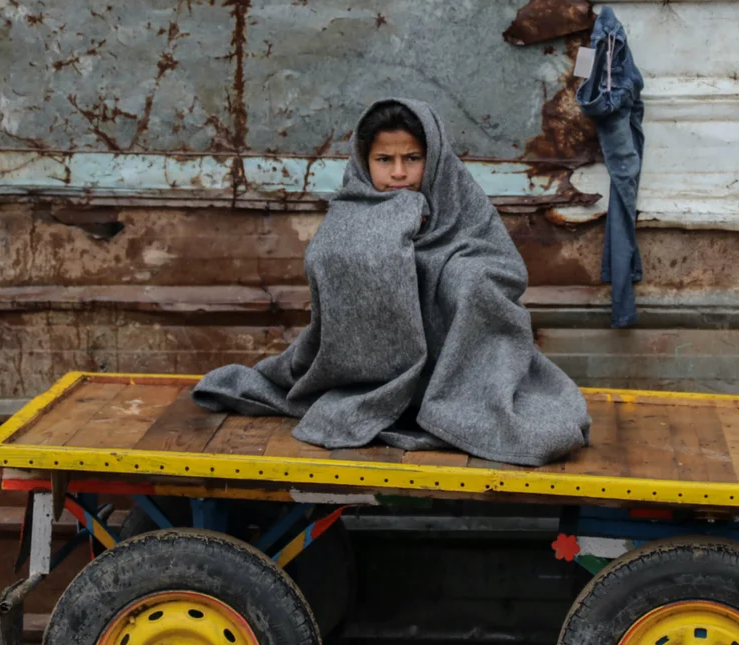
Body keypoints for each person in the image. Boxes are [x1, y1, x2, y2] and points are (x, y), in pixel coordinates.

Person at [194, 98, 591, 466]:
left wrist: (453, 275)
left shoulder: (459, 199)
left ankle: (453, 404)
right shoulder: (354, 207)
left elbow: (502, 268)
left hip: (463, 372)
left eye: (412, 158)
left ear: (432, 158)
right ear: (365, 161)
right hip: (368, 370)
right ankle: (390, 393)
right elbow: (328, 260)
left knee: (469, 280)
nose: (398, 173)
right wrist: (386, 252)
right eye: (384, 159)